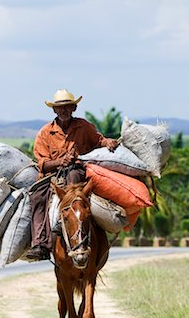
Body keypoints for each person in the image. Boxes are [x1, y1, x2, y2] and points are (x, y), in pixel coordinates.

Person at [26, 89, 119, 261]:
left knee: (74, 178)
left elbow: (98, 141)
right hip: (52, 175)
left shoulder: (84, 126)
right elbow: (42, 163)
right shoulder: (45, 133)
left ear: (74, 108)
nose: (63, 110)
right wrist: (59, 162)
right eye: (59, 108)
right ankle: (40, 244)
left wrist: (108, 142)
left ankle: (71, 224)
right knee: (37, 196)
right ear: (54, 110)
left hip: (77, 172)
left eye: (67, 107)